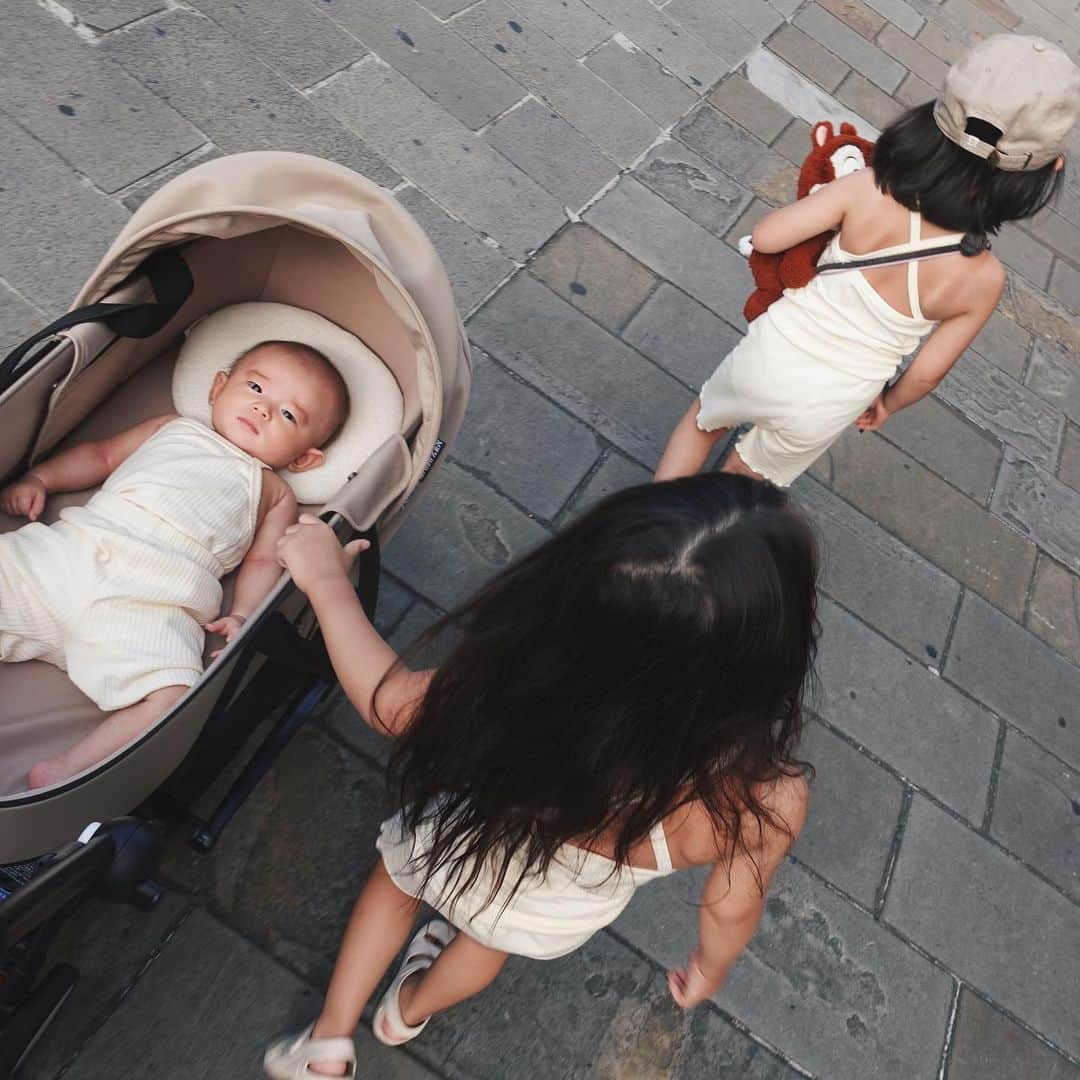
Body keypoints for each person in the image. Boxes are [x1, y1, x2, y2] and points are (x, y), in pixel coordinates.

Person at [264, 474, 819, 1078]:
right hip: (555, 915)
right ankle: (406, 1011)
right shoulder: (765, 796)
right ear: (774, 653)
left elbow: (389, 703)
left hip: (466, 840)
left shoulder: (517, 683)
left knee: (398, 883)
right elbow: (730, 907)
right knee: (483, 945)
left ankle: (330, 1039)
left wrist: (324, 584)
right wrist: (710, 968)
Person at [655, 34, 1079, 488]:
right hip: (836, 398)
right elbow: (927, 375)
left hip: (770, 354)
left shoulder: (867, 188)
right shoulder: (984, 279)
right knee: (745, 479)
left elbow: (768, 236)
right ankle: (701, 547)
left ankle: (637, 541)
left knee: (702, 423)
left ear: (930, 122)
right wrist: (888, 403)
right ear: (1046, 170)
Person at [0, 339, 348, 788]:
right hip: (72, 556)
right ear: (218, 388)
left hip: (151, 603)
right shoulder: (173, 427)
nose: (263, 409)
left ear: (303, 458)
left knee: (175, 696)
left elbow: (263, 560)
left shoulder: (275, 492)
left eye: (288, 415)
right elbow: (101, 456)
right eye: (256, 387)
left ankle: (66, 770)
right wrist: (41, 477)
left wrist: (243, 613)